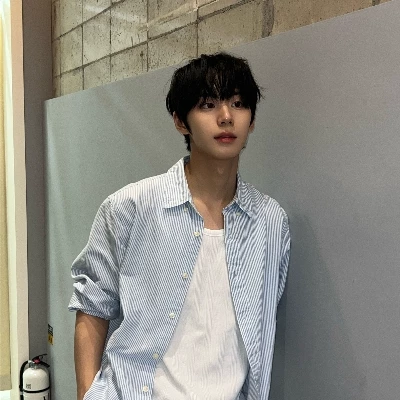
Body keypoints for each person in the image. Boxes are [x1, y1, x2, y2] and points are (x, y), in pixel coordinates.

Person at [68, 52, 290, 400]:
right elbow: (92, 306)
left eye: (238, 103)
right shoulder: (130, 208)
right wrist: (87, 394)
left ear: (252, 120)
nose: (226, 116)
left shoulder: (271, 222)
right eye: (208, 104)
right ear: (180, 121)